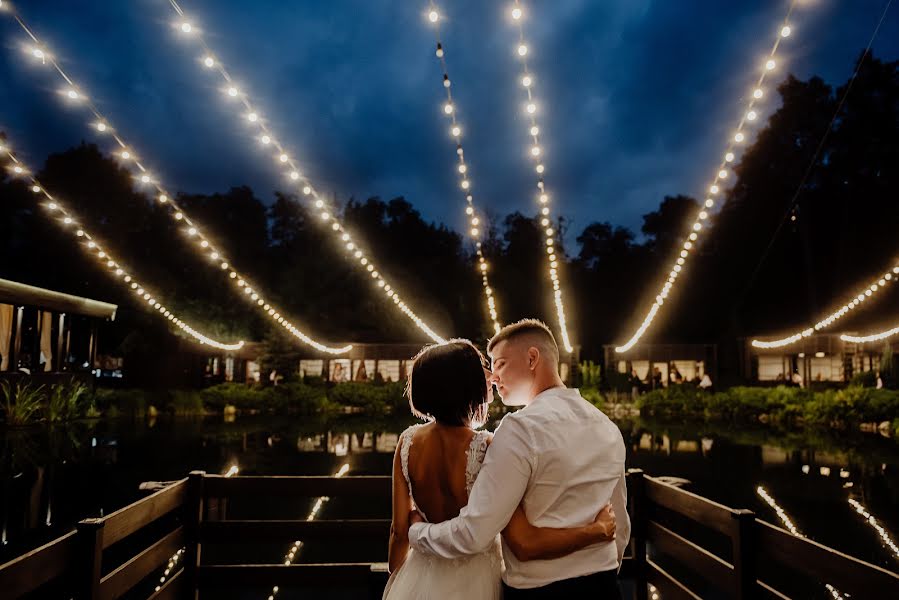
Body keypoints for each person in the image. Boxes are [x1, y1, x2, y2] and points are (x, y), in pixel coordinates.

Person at [407, 320, 630, 598]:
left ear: (532, 358)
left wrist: (416, 533)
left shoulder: (519, 429)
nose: (493, 377)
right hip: (605, 587)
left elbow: (474, 533)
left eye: (499, 364)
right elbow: (620, 524)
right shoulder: (607, 427)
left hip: (538, 591)